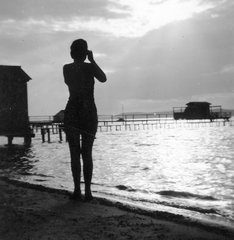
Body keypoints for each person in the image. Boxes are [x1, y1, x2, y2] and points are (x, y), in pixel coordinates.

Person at [63, 39, 107, 201]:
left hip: (73, 111)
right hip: (88, 111)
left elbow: (71, 82)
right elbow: (103, 78)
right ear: (86, 52)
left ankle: (77, 191)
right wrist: (92, 61)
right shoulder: (89, 68)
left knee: (75, 153)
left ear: (72, 53)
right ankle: (87, 192)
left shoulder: (67, 68)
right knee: (86, 153)